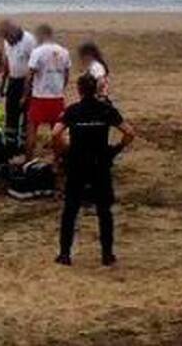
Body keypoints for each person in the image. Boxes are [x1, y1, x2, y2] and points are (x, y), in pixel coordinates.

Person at [52, 74, 136, 266]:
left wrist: (66, 150)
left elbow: (56, 133)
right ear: (96, 89)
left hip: (77, 163)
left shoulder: (72, 111)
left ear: (80, 90)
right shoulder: (106, 110)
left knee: (71, 209)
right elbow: (129, 132)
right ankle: (107, 255)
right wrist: (115, 150)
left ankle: (65, 254)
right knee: (104, 210)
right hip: (100, 163)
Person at [25, 24, 70, 160]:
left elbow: (30, 75)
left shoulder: (37, 51)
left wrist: (26, 93)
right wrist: (61, 88)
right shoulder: (64, 51)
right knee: (57, 131)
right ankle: (57, 160)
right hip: (57, 96)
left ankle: (28, 160)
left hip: (40, 96)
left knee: (32, 129)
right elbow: (67, 74)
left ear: (42, 35)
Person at [0, 19, 36, 152]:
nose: (7, 41)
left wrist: (26, 93)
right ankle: (11, 144)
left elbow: (32, 67)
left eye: (8, 37)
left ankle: (23, 144)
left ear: (13, 32)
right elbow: (7, 62)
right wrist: (3, 83)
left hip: (26, 81)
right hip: (13, 80)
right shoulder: (7, 42)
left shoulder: (29, 40)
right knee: (11, 112)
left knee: (26, 113)